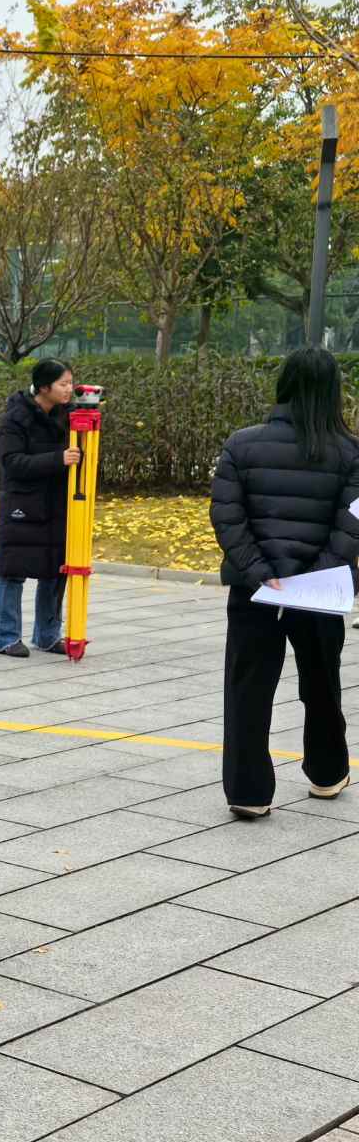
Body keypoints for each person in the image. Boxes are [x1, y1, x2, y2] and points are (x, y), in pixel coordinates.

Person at [209, 347, 359, 818]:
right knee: (322, 683)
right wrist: (319, 572)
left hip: (255, 590)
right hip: (321, 591)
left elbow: (227, 516)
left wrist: (259, 571)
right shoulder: (351, 452)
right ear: (332, 391)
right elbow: (353, 522)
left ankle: (248, 792)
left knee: (248, 688)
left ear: (284, 385)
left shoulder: (241, 444)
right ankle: (327, 773)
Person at [0, 358, 80, 657]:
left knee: (55, 570)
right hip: (23, 505)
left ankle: (48, 635)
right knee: (13, 571)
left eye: (70, 383)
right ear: (43, 387)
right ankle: (3, 637)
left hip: (58, 505)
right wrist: (57, 459)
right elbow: (11, 462)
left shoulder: (68, 415)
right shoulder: (16, 418)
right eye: (63, 384)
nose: (69, 389)